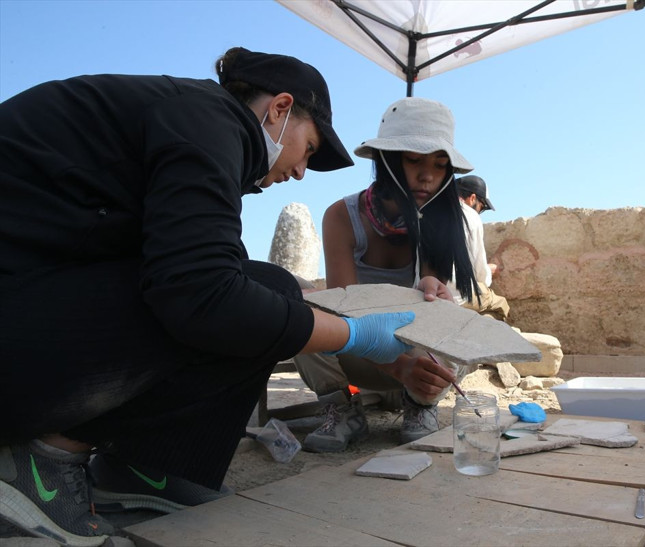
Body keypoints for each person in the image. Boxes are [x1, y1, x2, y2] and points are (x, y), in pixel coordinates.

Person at [0, 48, 421, 546]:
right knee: (242, 299)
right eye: (308, 149)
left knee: (269, 289)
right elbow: (207, 294)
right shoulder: (208, 119)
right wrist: (355, 335)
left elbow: (219, 270)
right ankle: (41, 463)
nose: (301, 172)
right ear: (280, 109)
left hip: (28, 303)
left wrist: (337, 313)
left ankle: (144, 468)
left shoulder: (186, 119)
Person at [293, 97, 481, 453]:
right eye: (414, 160)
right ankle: (341, 408)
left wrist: (433, 294)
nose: (427, 176)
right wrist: (399, 367)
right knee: (297, 303)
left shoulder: (442, 221)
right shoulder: (342, 216)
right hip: (359, 359)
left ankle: (420, 405)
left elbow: (431, 309)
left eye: (440, 165)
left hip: (417, 372)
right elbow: (344, 312)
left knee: (465, 329)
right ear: (386, 159)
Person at [450, 175, 511, 322]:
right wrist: (490, 271)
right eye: (481, 207)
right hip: (457, 294)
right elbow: (480, 275)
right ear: (472, 198)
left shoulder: (431, 210)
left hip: (427, 290)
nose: (479, 212)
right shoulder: (470, 215)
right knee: (500, 304)